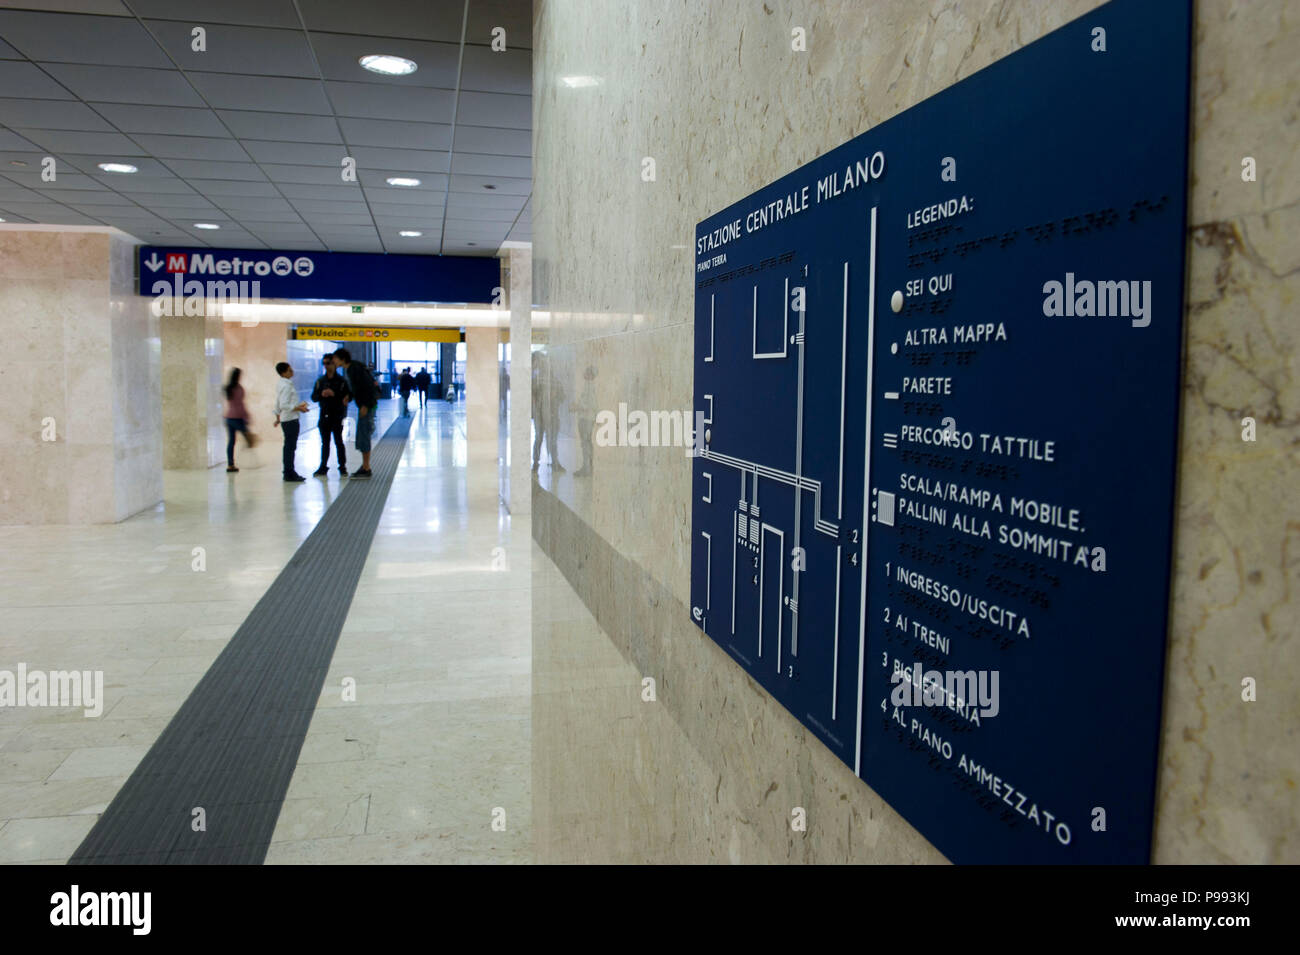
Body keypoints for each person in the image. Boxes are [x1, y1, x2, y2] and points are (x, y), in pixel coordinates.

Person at [335, 348, 376, 478]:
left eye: (335, 358)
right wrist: (350, 396)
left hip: (366, 405)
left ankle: (366, 467)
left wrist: (364, 405)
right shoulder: (354, 367)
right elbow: (357, 388)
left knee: (363, 435)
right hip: (366, 404)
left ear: (342, 359)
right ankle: (365, 466)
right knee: (362, 435)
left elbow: (366, 386)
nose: (334, 361)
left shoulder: (354, 369)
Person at [311, 353, 351, 476]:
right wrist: (321, 394)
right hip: (324, 415)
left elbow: (348, 397)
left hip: (337, 415)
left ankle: (342, 466)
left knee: (338, 441)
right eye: (324, 363)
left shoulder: (342, 381)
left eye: (329, 363)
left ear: (334, 364)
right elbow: (313, 397)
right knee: (325, 442)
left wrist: (335, 394)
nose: (326, 366)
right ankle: (323, 466)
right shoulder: (320, 381)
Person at [272, 361, 309, 482]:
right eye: (289, 370)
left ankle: (288, 471)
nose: (292, 371)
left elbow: (278, 403)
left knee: (289, 446)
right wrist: (299, 408)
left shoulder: (282, 384)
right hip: (290, 420)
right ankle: (289, 472)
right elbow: (284, 404)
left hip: (286, 419)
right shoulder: (286, 386)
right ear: (283, 373)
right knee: (290, 447)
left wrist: (277, 416)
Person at [531, 353, 563, 472]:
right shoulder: (536, 379)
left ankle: (555, 462)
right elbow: (533, 396)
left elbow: (562, 395)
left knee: (552, 439)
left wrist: (556, 395)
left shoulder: (554, 379)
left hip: (552, 414)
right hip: (540, 415)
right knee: (539, 437)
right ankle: (535, 463)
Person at [223, 367, 255, 472]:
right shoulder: (238, 388)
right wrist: (246, 416)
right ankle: (252, 462)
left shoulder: (227, 388)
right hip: (237, 418)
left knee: (231, 442)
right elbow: (240, 404)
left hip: (228, 418)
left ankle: (230, 464)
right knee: (249, 439)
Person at [572, 365, 597, 477]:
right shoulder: (588, 386)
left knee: (585, 443)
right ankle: (588, 467)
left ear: (590, 374)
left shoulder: (590, 387)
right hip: (587, 418)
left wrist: (577, 407)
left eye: (587, 371)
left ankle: (586, 469)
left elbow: (591, 405)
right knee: (587, 443)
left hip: (586, 418)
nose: (584, 373)